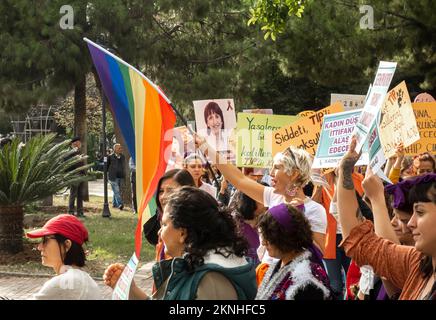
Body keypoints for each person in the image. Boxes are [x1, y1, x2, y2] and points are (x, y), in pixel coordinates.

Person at [104, 187, 257, 300]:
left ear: (182, 233)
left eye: (164, 225)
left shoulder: (211, 281)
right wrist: (130, 289)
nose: (159, 232)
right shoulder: (197, 267)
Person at [337, 136, 436, 300]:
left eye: (420, 212)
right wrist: (345, 169)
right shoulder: (417, 263)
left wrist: (377, 200)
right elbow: (362, 243)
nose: (410, 224)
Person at [196, 136, 327, 255]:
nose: (270, 173)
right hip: (266, 273)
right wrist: (205, 147)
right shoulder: (273, 196)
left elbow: (318, 252)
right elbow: (239, 179)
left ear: (294, 174)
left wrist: (295, 219)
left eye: (277, 167)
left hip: (290, 278)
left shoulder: (314, 210)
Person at [255, 203, 332, 300]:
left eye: (269, 238)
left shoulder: (306, 281)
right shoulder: (280, 264)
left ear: (285, 238)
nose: (263, 243)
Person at [26, 214, 102, 300]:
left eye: (46, 240)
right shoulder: (86, 280)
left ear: (66, 245)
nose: (39, 247)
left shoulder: (64, 282)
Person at [230, 185, 268, 267]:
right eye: (262, 199)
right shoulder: (234, 224)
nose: (266, 203)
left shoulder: (269, 219)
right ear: (250, 201)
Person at [67, 136, 85, 217]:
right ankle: (71, 211)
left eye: (79, 143)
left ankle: (80, 211)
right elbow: (67, 165)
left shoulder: (79, 152)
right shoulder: (70, 152)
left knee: (80, 194)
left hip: (81, 175)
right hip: (74, 175)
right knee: (73, 194)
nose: (80, 144)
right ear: (74, 144)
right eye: (78, 143)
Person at [107, 143, 125, 210]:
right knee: (117, 191)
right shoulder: (110, 157)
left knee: (116, 191)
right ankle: (120, 204)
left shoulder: (122, 156)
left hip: (120, 176)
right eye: (119, 148)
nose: (121, 149)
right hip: (112, 177)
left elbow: (123, 166)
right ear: (115, 149)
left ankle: (114, 204)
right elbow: (106, 167)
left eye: (121, 148)